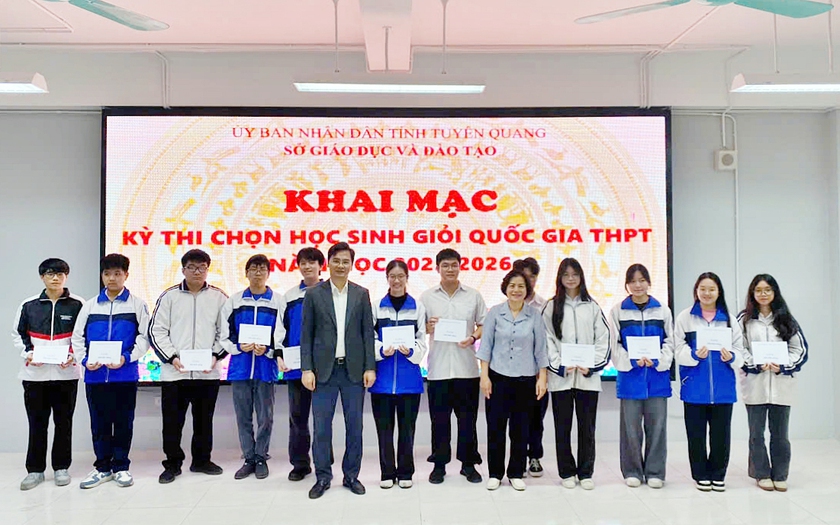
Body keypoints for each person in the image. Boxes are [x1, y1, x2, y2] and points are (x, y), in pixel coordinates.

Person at [301, 242, 376, 499]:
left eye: (346, 261)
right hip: (323, 372)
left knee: (355, 427)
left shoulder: (361, 294)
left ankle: (351, 475)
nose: (341, 265)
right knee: (322, 427)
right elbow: (306, 335)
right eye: (336, 260)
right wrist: (307, 369)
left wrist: (370, 367)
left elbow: (367, 333)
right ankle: (323, 476)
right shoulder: (314, 294)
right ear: (328, 263)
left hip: (353, 371)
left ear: (351, 265)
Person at [149, 249, 229, 484]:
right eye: (192, 267)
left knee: (204, 421)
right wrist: (172, 357)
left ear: (208, 270)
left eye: (202, 267)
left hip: (207, 373)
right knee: (172, 423)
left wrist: (215, 356)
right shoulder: (169, 297)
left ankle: (202, 461)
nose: (197, 271)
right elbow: (157, 331)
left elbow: (226, 332)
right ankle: (172, 464)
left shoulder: (219, 297)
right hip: (175, 373)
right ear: (183, 270)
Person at [72, 253, 150, 489]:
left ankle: (121, 467)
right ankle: (102, 468)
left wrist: (126, 358)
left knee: (124, 422)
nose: (112, 278)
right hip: (95, 376)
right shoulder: (90, 306)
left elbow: (145, 338)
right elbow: (77, 337)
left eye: (117, 273)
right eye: (107, 274)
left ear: (126, 275)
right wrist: (84, 360)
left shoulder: (137, 304)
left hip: (124, 375)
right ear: (102, 276)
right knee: (99, 424)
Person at [13, 258, 85, 490]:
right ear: (42, 277)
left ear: (66, 277)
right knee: (37, 424)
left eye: (60, 274)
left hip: (66, 375)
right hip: (35, 376)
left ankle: (61, 467)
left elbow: (83, 336)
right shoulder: (29, 305)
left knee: (64, 423)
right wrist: (28, 353)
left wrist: (74, 356)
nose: (56, 278)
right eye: (51, 274)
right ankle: (35, 470)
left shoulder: (78, 304)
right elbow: (18, 334)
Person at [477, 269, 548, 491]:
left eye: (521, 286)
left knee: (521, 428)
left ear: (527, 290)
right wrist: (484, 376)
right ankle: (495, 473)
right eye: (512, 286)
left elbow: (541, 349)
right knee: (495, 427)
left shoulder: (534, 315)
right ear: (505, 288)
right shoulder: (495, 313)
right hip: (497, 378)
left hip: (525, 380)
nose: (516, 290)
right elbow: (486, 346)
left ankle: (516, 472)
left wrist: (542, 378)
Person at [543, 257, 610, 490]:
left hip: (587, 378)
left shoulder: (592, 306)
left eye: (574, 274)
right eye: (566, 275)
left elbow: (603, 339)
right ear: (559, 278)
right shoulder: (551, 306)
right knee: (562, 427)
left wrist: (592, 366)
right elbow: (546, 340)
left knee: (587, 428)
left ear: (581, 277)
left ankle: (585, 472)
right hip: (561, 378)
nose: (570, 279)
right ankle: (566, 472)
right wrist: (559, 366)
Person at [674, 272, 744, 492]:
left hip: (723, 388)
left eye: (711, 289)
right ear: (696, 291)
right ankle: (701, 474)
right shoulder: (685, 317)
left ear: (718, 292)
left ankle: (718, 474)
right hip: (694, 386)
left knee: (721, 435)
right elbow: (678, 349)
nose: (707, 293)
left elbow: (741, 352)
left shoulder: (729, 319)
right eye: (702, 289)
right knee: (695, 435)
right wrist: (694, 355)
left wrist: (731, 357)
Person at [421, 248, 486, 485]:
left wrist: (473, 337)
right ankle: (439, 465)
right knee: (439, 421)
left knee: (467, 421)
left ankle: (468, 465)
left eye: (454, 265)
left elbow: (484, 325)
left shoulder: (473, 295)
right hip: (438, 370)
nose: (450, 269)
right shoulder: (427, 297)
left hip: (466, 369)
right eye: (445, 265)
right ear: (437, 268)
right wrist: (427, 328)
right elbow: (419, 329)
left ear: (460, 266)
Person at [219, 254, 286, 480]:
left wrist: (269, 350)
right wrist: (238, 347)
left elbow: (282, 334)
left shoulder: (278, 301)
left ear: (268, 273)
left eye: (262, 268)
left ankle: (260, 457)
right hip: (240, 367)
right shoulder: (235, 301)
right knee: (243, 416)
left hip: (266, 367)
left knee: (266, 417)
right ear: (246, 273)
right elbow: (224, 334)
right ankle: (248, 458)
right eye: (254, 268)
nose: (258, 272)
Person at [739, 274, 807, 492]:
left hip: (781, 385)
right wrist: (755, 364)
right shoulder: (744, 319)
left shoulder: (786, 319)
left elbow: (800, 350)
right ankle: (761, 473)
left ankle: (780, 474)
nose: (763, 294)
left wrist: (783, 365)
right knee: (756, 434)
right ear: (752, 293)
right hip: (755, 384)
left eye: (767, 290)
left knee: (780, 434)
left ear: (774, 292)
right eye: (758, 290)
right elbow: (739, 348)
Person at [609, 264, 674, 489]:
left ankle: (655, 472)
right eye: (633, 281)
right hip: (631, 379)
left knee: (657, 428)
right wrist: (630, 360)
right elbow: (614, 344)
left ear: (649, 282)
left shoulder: (662, 310)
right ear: (627, 284)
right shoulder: (618, 311)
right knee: (630, 430)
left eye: (642, 280)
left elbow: (670, 341)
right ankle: (632, 471)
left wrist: (658, 361)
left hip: (657, 379)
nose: (638, 285)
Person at [370, 259, 428, 490]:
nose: (396, 280)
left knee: (407, 430)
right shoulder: (376, 306)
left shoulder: (418, 307)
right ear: (387, 278)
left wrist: (411, 351)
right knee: (384, 431)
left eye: (400, 276)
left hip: (409, 381)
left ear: (407, 278)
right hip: (382, 381)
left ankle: (405, 472)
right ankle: (387, 472)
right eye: (392, 276)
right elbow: (369, 338)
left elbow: (422, 340)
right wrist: (380, 350)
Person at [280, 247, 325, 482]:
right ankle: (300, 464)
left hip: (325, 369)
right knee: (298, 419)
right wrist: (280, 355)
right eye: (303, 263)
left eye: (312, 262)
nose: (307, 267)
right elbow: (280, 330)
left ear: (321, 266)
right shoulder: (288, 297)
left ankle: (323, 464)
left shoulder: (331, 292)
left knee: (322, 420)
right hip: (296, 368)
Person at [513, 257, 548, 477]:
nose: (528, 280)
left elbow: (548, 341)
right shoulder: (504, 307)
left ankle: (534, 456)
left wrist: (543, 374)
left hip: (536, 374)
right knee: (516, 419)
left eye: (532, 276)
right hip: (511, 374)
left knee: (536, 418)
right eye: (523, 276)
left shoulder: (545, 306)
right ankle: (516, 459)